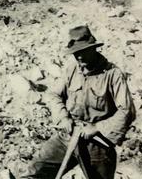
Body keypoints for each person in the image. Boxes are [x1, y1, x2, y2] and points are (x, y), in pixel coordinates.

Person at [19, 26, 135, 179]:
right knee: (35, 171)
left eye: (82, 51)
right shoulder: (71, 70)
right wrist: (63, 118)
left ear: (93, 49)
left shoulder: (112, 74)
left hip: (97, 142)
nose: (78, 56)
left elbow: (127, 111)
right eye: (75, 53)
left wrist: (97, 128)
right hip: (68, 135)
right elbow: (53, 95)